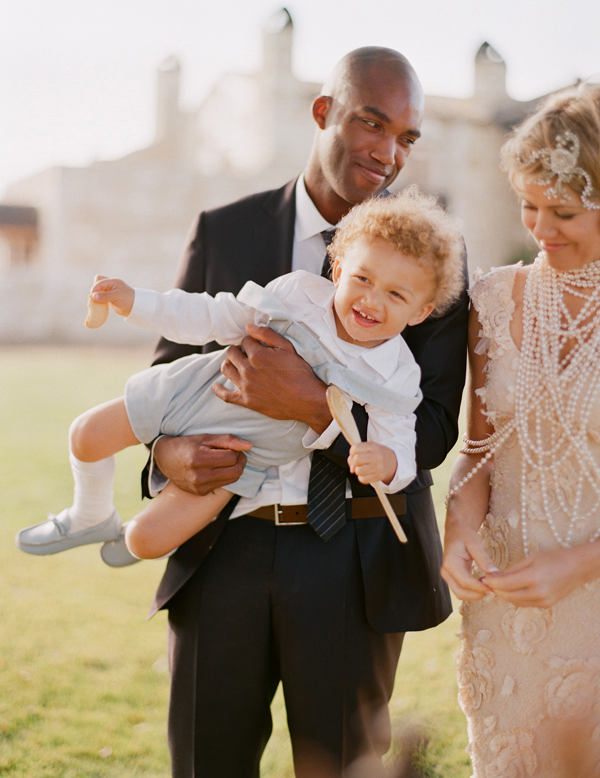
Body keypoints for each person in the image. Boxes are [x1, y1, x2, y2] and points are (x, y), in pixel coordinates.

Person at [142, 47, 467, 778]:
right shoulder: (225, 230)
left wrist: (318, 414)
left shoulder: (435, 256)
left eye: (407, 139)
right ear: (323, 113)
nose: (388, 154)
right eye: (372, 123)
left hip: (357, 560)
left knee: (345, 766)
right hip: (222, 547)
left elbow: (438, 421)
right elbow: (167, 371)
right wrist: (169, 455)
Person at [16, 189, 464, 564]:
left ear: (421, 311)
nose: (371, 300)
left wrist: (387, 463)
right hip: (195, 390)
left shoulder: (397, 374)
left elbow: (401, 441)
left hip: (240, 454)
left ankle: (124, 533)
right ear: (340, 267)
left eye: (395, 293)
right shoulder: (298, 294)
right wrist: (138, 302)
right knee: (85, 434)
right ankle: (88, 513)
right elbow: (215, 314)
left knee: (146, 542)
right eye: (363, 278)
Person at [441, 83, 600, 777]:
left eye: (563, 210)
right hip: (504, 618)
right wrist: (458, 527)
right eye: (528, 206)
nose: (541, 228)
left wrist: (579, 563)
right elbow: (479, 449)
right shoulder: (495, 297)